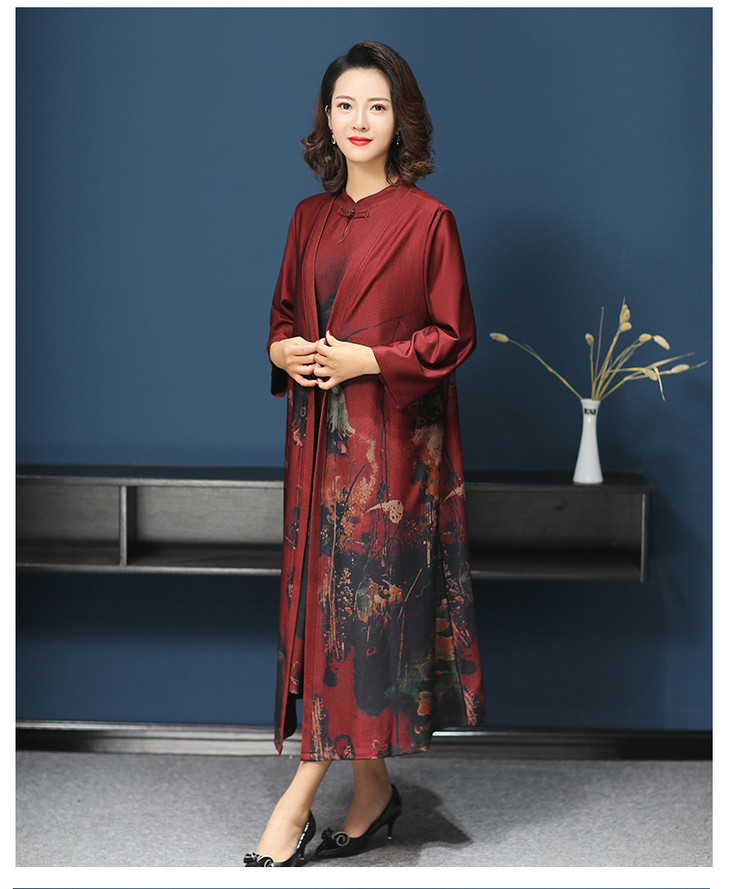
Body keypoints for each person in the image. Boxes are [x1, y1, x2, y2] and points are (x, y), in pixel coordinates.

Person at [244, 40, 484, 867]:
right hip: (316, 450)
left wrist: (367, 360)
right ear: (327, 117)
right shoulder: (307, 218)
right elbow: (282, 317)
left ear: (399, 119)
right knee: (323, 614)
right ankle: (374, 790)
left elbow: (453, 336)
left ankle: (298, 797)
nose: (358, 120)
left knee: (359, 617)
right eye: (344, 105)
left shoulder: (428, 220)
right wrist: (285, 352)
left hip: (388, 459)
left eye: (375, 106)